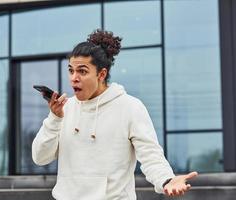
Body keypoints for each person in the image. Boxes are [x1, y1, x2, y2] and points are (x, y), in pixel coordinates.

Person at [32, 29, 198, 200]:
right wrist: (54, 119)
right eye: (71, 70)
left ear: (101, 74)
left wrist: (167, 180)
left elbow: (151, 155)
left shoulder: (130, 107)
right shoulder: (64, 110)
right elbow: (40, 157)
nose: (74, 78)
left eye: (82, 71)